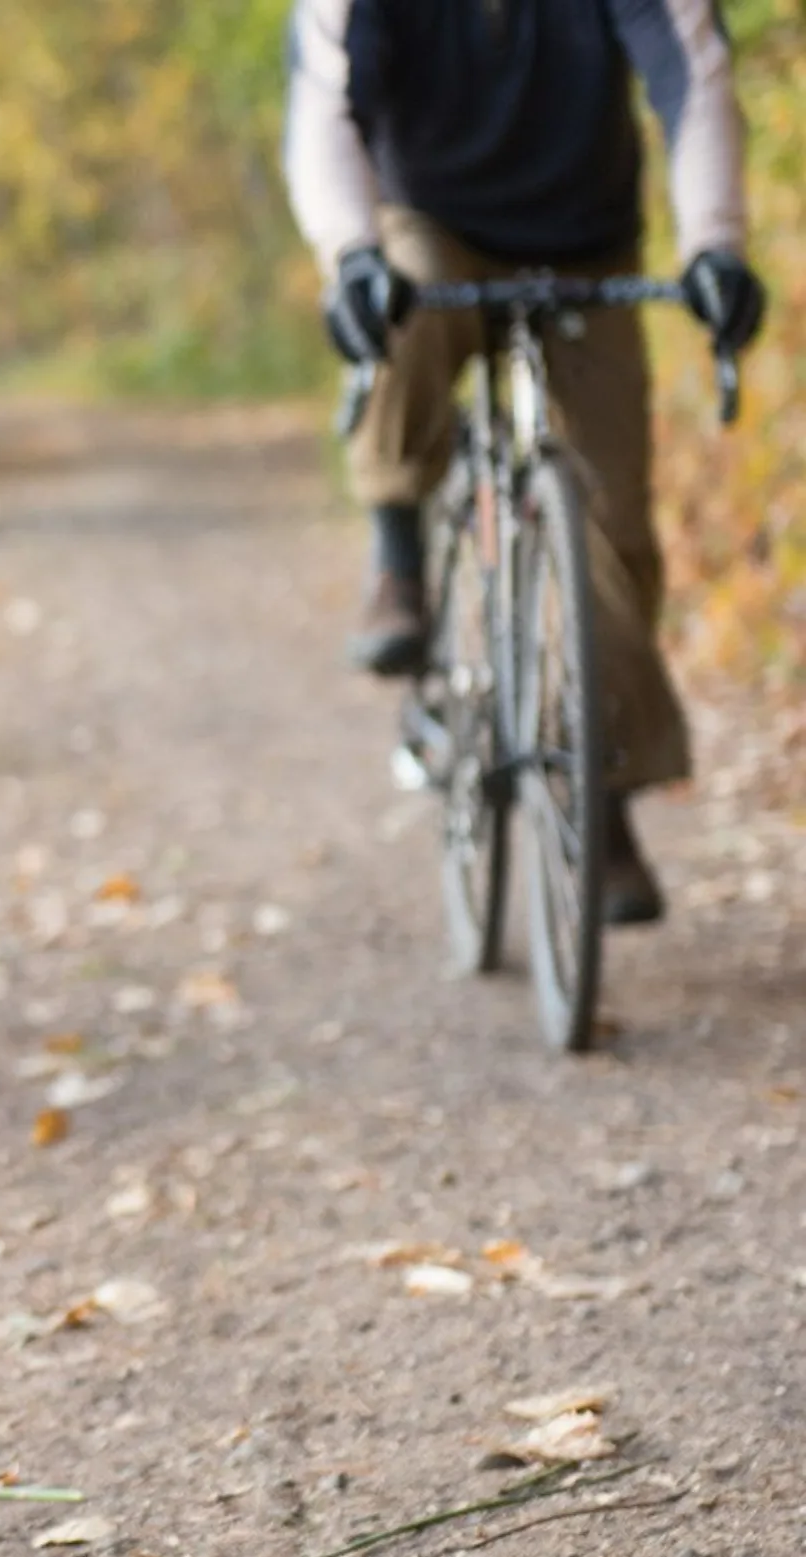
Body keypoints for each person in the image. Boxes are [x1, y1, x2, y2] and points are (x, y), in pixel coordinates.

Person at [283, 0, 766, 923]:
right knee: (407, 306)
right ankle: (399, 557)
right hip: (429, 215)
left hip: (586, 241)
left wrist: (714, 245)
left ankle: (603, 794)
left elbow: (695, 79)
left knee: (615, 524)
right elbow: (322, 108)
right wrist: (351, 255)